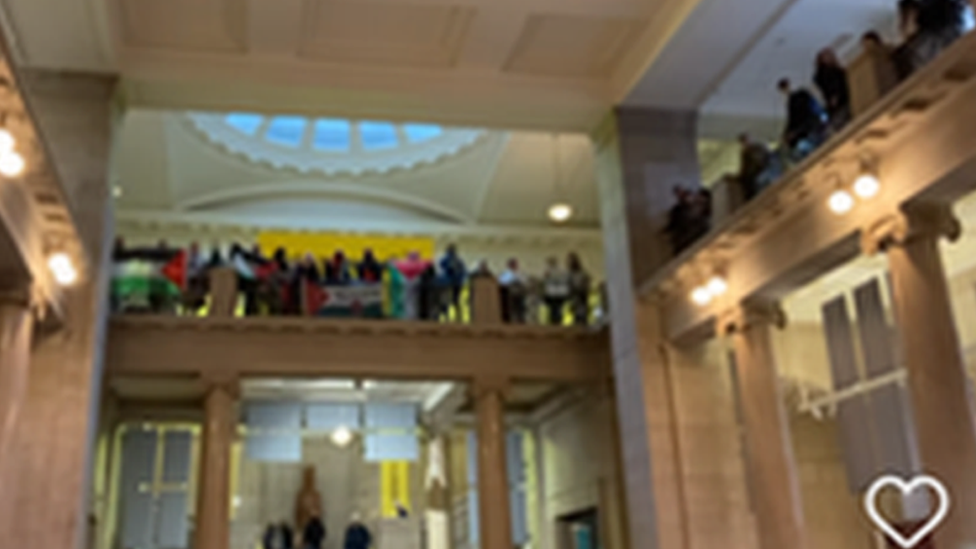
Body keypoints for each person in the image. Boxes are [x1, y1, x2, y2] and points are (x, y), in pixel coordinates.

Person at [777, 78, 827, 158]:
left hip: (810, 126)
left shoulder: (800, 96)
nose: (785, 90)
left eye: (785, 88)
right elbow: (792, 120)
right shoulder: (793, 100)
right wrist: (787, 133)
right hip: (809, 126)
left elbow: (794, 119)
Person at [813, 48, 851, 131]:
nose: (832, 57)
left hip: (839, 103)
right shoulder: (827, 73)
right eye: (829, 56)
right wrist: (835, 95)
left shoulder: (829, 72)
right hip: (841, 102)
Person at [737, 133, 771, 201]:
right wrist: (740, 177)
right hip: (755, 174)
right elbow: (745, 167)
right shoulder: (745, 153)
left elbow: (767, 159)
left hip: (763, 170)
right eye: (744, 142)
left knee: (757, 183)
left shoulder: (759, 147)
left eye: (746, 141)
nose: (746, 143)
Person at [438, 244, 466, 321]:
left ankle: (457, 316)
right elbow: (442, 266)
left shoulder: (458, 260)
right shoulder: (446, 259)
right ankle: (447, 316)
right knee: (447, 300)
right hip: (448, 282)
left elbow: (463, 271)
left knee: (454, 300)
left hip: (454, 282)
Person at [542, 256, 570, 325]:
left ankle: (557, 321)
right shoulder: (547, 270)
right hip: (551, 292)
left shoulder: (560, 270)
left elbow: (564, 279)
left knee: (558, 308)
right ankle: (553, 321)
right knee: (552, 308)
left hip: (558, 291)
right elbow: (544, 281)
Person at [498, 258, 527, 324]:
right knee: (511, 308)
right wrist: (511, 280)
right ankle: (511, 321)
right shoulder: (505, 273)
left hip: (519, 292)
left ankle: (520, 320)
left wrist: (519, 280)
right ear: (509, 265)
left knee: (520, 308)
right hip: (509, 293)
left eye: (515, 264)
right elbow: (501, 282)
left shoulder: (520, 272)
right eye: (512, 264)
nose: (514, 266)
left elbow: (525, 281)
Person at [567, 253, 591, 326]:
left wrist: (584, 288)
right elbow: (569, 284)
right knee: (576, 311)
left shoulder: (582, 272)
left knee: (582, 311)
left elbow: (587, 281)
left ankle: (582, 322)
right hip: (575, 294)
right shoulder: (570, 273)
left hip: (582, 294)